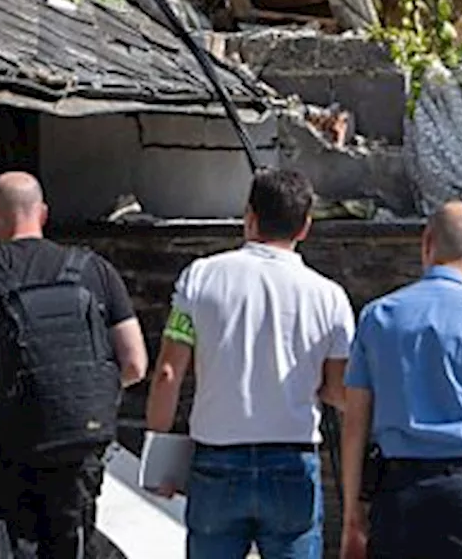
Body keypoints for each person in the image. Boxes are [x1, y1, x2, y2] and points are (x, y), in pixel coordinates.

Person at [0, 171, 148, 559]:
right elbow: (135, 363)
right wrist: (73, 397)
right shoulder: (95, 270)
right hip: (76, 458)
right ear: (42, 213)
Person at [145, 168, 355, 559]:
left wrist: (159, 462)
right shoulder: (330, 297)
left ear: (249, 216)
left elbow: (168, 373)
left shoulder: (199, 278)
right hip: (293, 462)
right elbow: (339, 391)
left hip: (216, 461)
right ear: (305, 226)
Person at [339, 201, 462, 559]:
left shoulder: (378, 316)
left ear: (426, 241)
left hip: (397, 490)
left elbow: (355, 423)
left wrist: (352, 513)